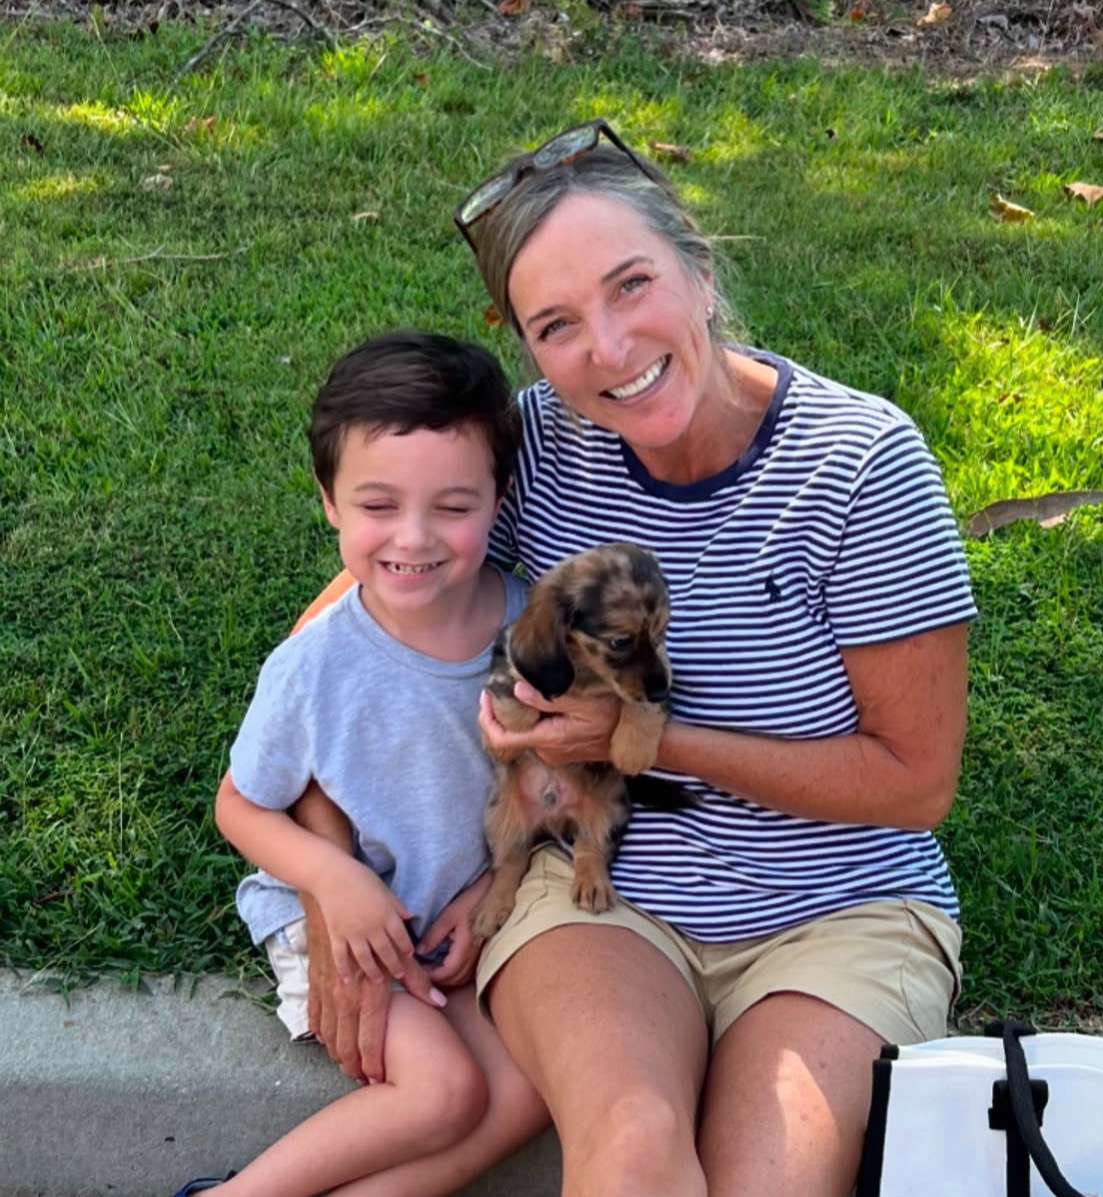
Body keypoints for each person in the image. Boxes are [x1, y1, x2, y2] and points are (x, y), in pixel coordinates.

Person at [300, 120, 977, 1197]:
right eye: (558, 324)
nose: (609, 350)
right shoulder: (537, 444)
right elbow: (351, 613)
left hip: (836, 913)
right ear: (527, 346)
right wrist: (324, 872)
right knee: (629, 1152)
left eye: (631, 287)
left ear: (698, 270)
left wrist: (648, 739)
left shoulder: (858, 467)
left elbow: (914, 783)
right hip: (600, 891)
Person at [176, 331, 547, 1197]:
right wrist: (333, 880)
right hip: (338, 918)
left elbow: (543, 788)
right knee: (445, 1092)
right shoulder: (314, 666)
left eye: (454, 505)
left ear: (501, 498)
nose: (413, 539)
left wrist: (486, 888)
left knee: (527, 1087)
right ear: (328, 501)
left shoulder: (533, 637)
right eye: (378, 504)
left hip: (447, 920)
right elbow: (241, 805)